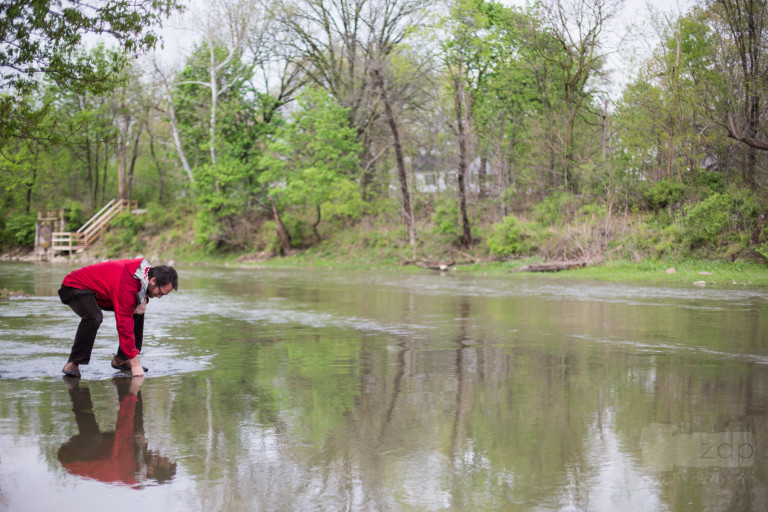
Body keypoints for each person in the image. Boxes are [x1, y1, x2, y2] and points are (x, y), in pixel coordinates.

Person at [58, 258, 178, 378]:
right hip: (73, 286)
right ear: (153, 280)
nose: (159, 297)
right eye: (161, 293)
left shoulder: (143, 273)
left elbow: (141, 291)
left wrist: (144, 299)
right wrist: (136, 364)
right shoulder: (127, 284)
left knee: (138, 309)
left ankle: (122, 359)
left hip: (100, 293)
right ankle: (72, 363)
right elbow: (124, 325)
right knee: (94, 317)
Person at [58, 376, 177, 487]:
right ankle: (124, 381)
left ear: (151, 469)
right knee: (137, 432)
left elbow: (123, 429)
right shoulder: (140, 462)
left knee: (95, 438)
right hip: (101, 449)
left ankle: (74, 388)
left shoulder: (129, 468)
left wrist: (133, 392)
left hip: (72, 459)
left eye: (162, 460)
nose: (161, 455)